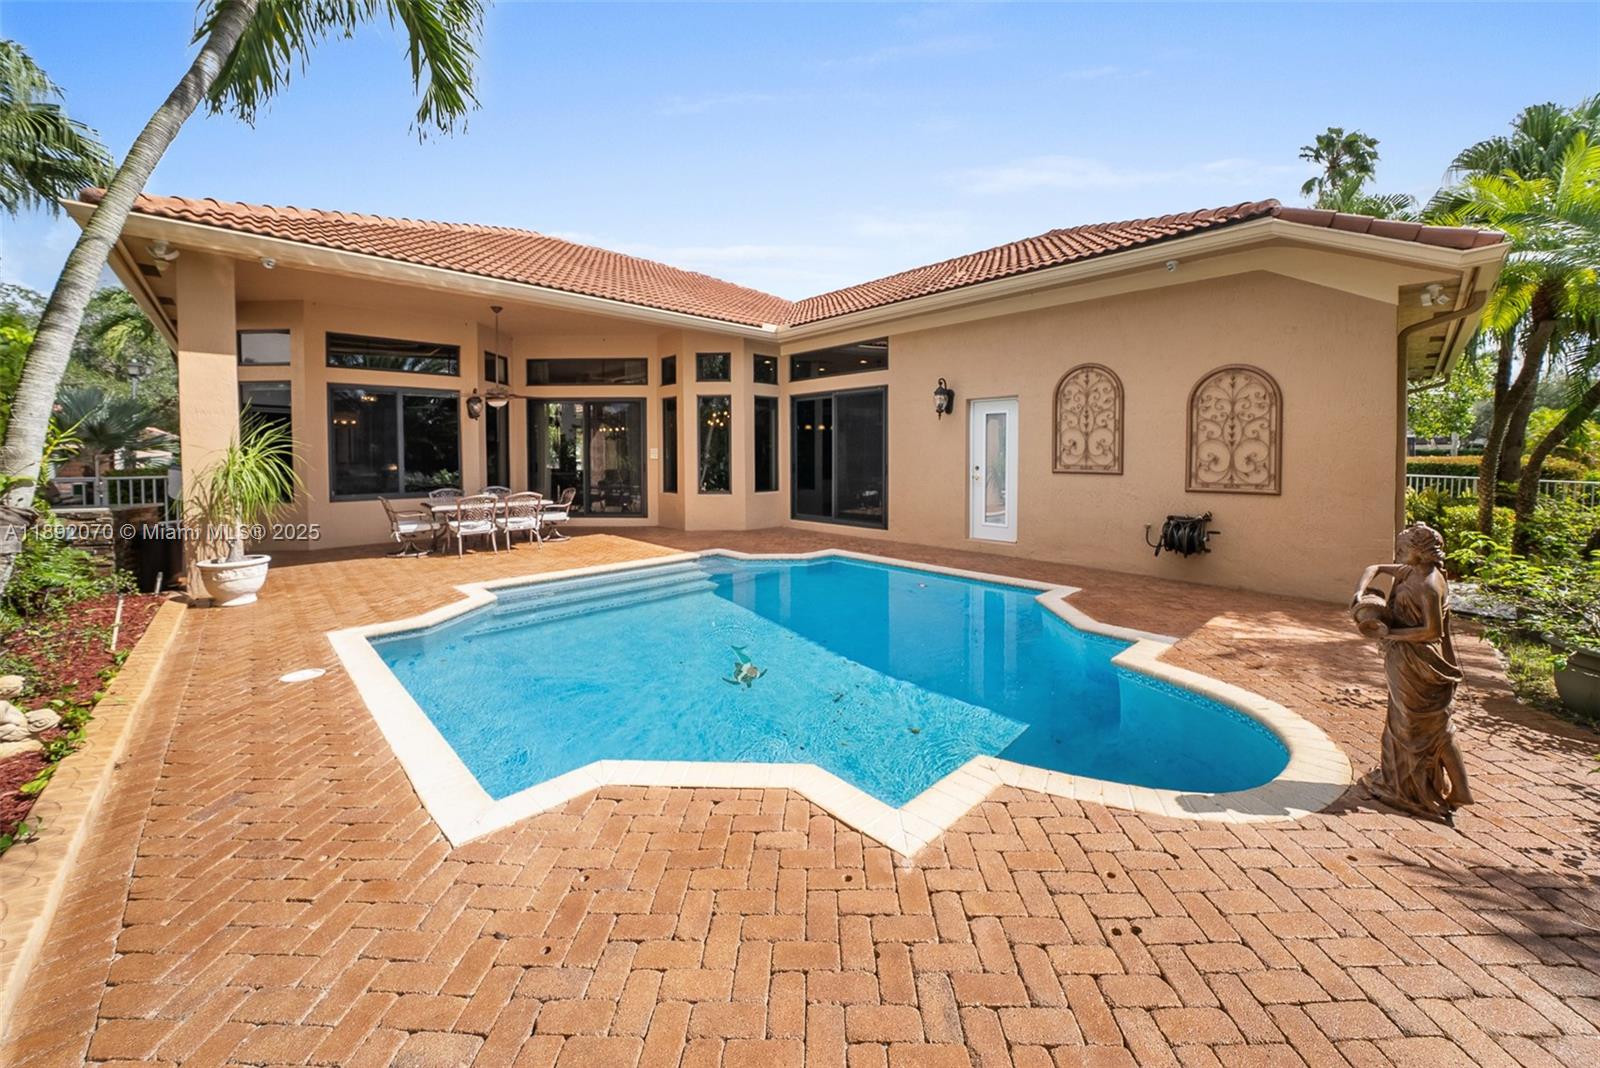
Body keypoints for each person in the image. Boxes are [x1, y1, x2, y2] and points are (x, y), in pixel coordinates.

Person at [1350, 523, 1474, 823]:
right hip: (1406, 661)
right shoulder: (1411, 572)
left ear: (1418, 554)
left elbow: (1431, 632)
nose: (1399, 554)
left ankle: (1416, 789)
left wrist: (1389, 635)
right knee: (1428, 727)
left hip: (1421, 664)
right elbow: (1374, 566)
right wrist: (1360, 591)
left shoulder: (1429, 584)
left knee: (1420, 728)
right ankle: (1448, 789)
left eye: (1404, 549)